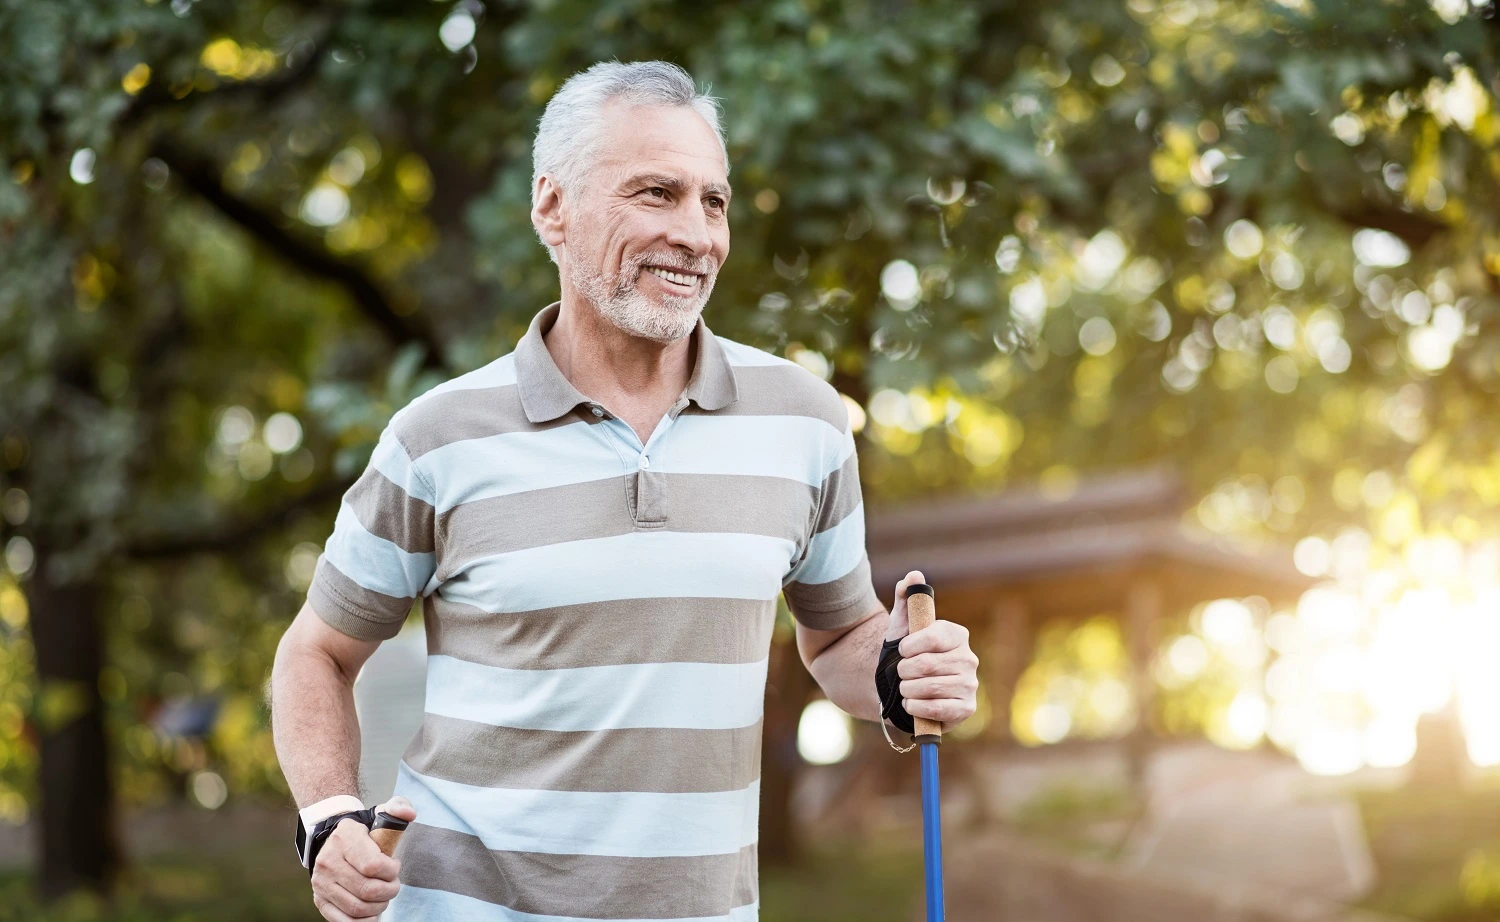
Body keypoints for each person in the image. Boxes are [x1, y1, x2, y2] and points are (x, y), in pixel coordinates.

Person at [270, 59, 979, 922]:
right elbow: (317, 653)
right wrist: (328, 815)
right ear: (552, 207)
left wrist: (901, 673)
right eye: (656, 193)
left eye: (712, 202)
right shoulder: (437, 439)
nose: (697, 234)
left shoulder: (808, 424)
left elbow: (839, 642)